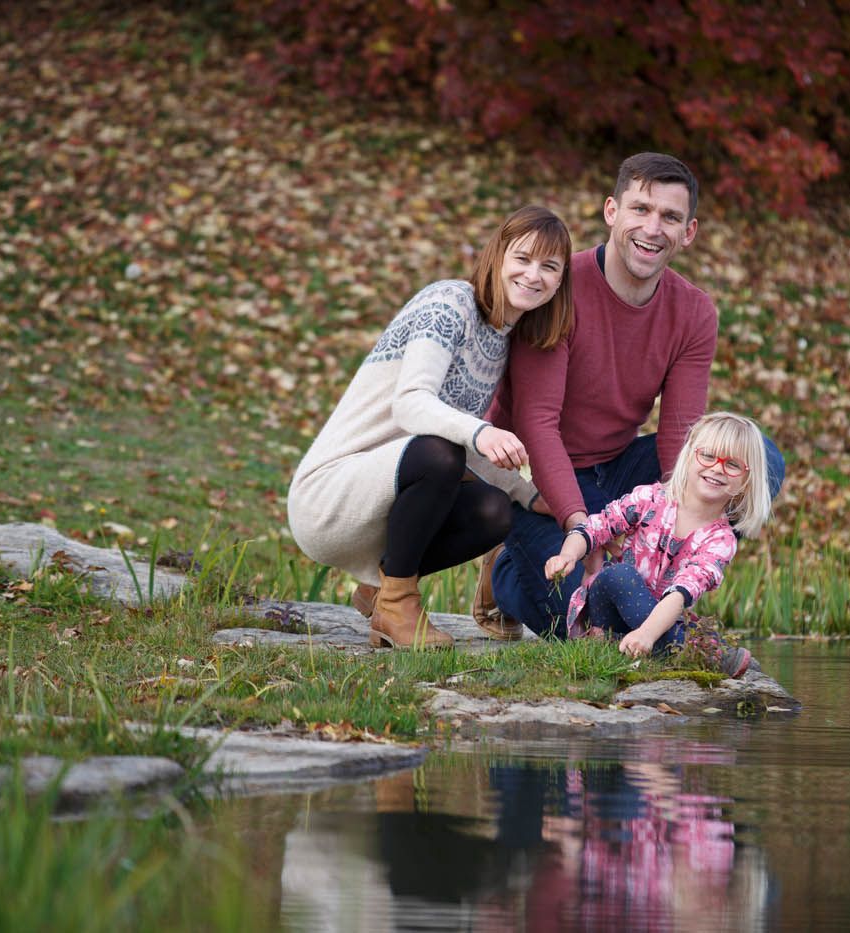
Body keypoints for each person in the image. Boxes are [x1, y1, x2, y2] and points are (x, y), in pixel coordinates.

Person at [476, 152, 785, 639]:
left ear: (689, 232)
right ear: (611, 212)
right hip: (536, 476)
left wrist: (666, 522)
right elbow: (537, 424)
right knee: (576, 613)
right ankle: (505, 576)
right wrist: (583, 530)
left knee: (760, 460)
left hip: (618, 467)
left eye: (670, 216)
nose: (653, 227)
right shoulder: (558, 288)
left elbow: (680, 435)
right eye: (640, 209)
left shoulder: (694, 312)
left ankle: (659, 579)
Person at [287, 206, 571, 649]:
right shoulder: (449, 303)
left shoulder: (500, 339)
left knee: (493, 512)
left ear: (560, 281)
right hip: (330, 497)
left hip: (383, 506)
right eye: (523, 258)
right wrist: (482, 431)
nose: (534, 275)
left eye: (549, 267)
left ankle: (381, 592)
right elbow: (411, 406)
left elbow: (459, 443)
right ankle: (399, 605)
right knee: (441, 452)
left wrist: (529, 496)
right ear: (497, 255)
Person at [542, 412, 771, 677]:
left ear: (746, 481)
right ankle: (702, 654)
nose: (717, 468)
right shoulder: (650, 498)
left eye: (732, 464)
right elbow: (596, 527)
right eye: (708, 456)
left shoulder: (720, 541)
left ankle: (674, 648)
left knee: (682, 620)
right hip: (606, 610)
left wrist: (648, 634)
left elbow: (682, 592)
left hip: (657, 623)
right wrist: (568, 555)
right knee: (619, 575)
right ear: (689, 455)